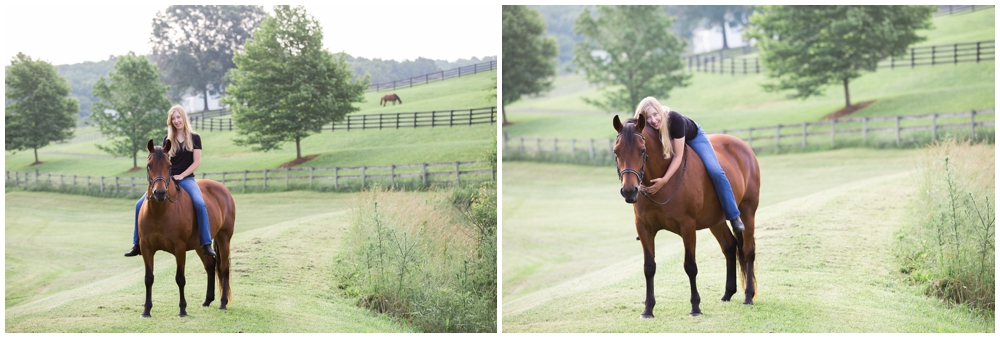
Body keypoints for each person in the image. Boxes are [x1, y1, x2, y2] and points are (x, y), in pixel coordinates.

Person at [633, 97, 745, 233]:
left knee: (715, 171)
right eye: (648, 117)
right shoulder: (646, 127)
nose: (653, 120)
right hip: (669, 141)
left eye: (655, 114)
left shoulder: (674, 119)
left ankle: (733, 216)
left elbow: (678, 156)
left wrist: (664, 180)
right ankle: (645, 221)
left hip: (694, 138)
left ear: (660, 111)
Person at [125, 105, 216, 257]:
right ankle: (136, 244)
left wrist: (182, 175)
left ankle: (206, 243)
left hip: (187, 179)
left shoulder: (195, 137)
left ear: (183, 118)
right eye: (173, 119)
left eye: (178, 117)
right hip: (168, 181)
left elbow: (196, 162)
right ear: (170, 121)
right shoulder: (168, 139)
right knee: (138, 205)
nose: (176, 121)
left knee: (200, 203)